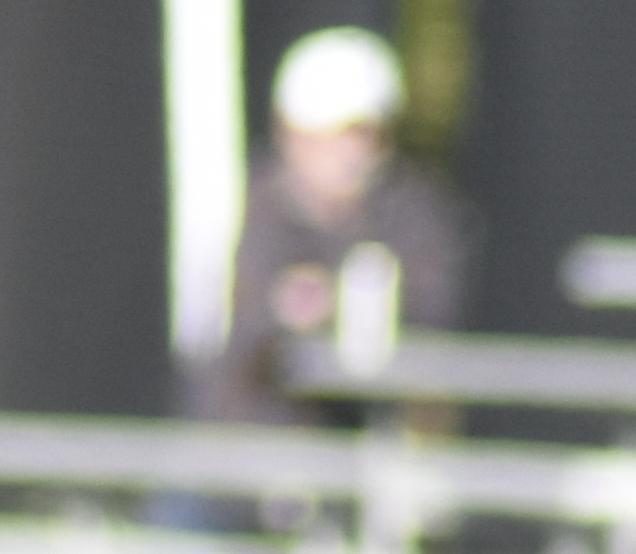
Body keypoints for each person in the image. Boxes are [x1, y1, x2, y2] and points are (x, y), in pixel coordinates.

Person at [191, 25, 469, 423]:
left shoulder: (412, 211)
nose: (349, 154)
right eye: (325, 137)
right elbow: (225, 333)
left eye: (360, 135)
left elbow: (432, 312)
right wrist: (279, 310)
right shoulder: (251, 206)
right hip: (246, 445)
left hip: (368, 445)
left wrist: (341, 304)